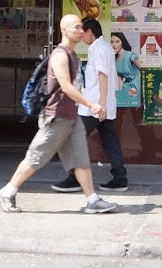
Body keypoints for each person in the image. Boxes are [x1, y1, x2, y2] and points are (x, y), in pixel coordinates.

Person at [0, 13, 118, 214]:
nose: (80, 31)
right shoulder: (60, 55)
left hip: (71, 116)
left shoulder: (73, 55)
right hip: (56, 116)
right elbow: (66, 87)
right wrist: (91, 104)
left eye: (81, 27)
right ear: (64, 30)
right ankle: (8, 191)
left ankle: (92, 200)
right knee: (37, 157)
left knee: (80, 158)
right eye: (76, 27)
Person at [52, 17, 128, 194]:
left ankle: (74, 179)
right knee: (111, 143)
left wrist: (100, 105)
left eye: (82, 31)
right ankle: (120, 179)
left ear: (89, 32)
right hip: (103, 105)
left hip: (95, 107)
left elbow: (103, 76)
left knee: (74, 139)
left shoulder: (99, 49)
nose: (81, 35)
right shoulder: (104, 48)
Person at [112, 32, 141, 111]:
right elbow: (120, 78)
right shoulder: (114, 58)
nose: (114, 45)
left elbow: (143, 69)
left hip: (138, 82)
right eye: (112, 42)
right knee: (121, 105)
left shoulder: (130, 55)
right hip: (127, 84)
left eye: (117, 41)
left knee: (134, 109)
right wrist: (120, 94)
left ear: (122, 42)